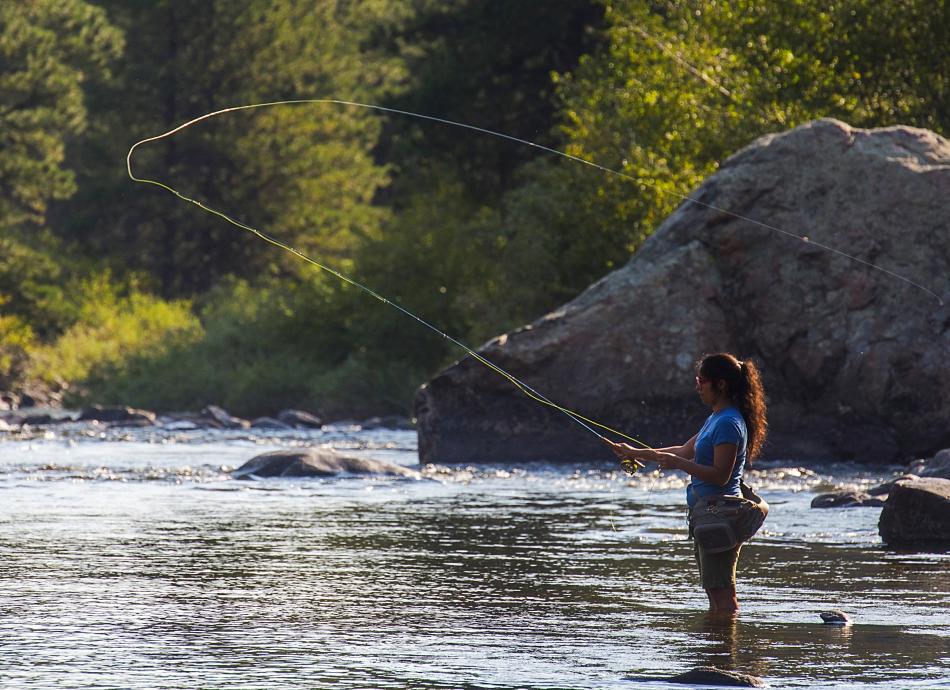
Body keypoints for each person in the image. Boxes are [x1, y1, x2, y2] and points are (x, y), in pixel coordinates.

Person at [609, 352, 768, 613]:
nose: (697, 386)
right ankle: (717, 644)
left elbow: (720, 475)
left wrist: (679, 466)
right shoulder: (715, 418)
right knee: (713, 590)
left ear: (721, 385)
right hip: (706, 515)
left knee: (723, 594)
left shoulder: (729, 422)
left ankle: (724, 648)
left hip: (721, 515)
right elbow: (683, 451)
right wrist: (634, 453)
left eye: (702, 380)